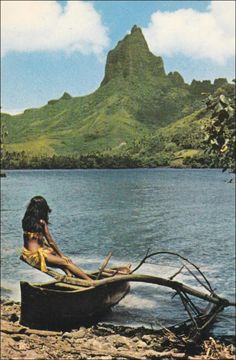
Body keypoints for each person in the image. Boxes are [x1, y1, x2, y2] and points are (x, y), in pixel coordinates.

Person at [21, 196, 92, 281]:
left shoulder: (26, 220)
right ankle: (90, 281)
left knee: (53, 251)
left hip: (28, 254)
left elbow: (34, 241)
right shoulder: (41, 222)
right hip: (37, 256)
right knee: (67, 262)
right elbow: (51, 241)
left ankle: (69, 273)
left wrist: (55, 252)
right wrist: (62, 255)